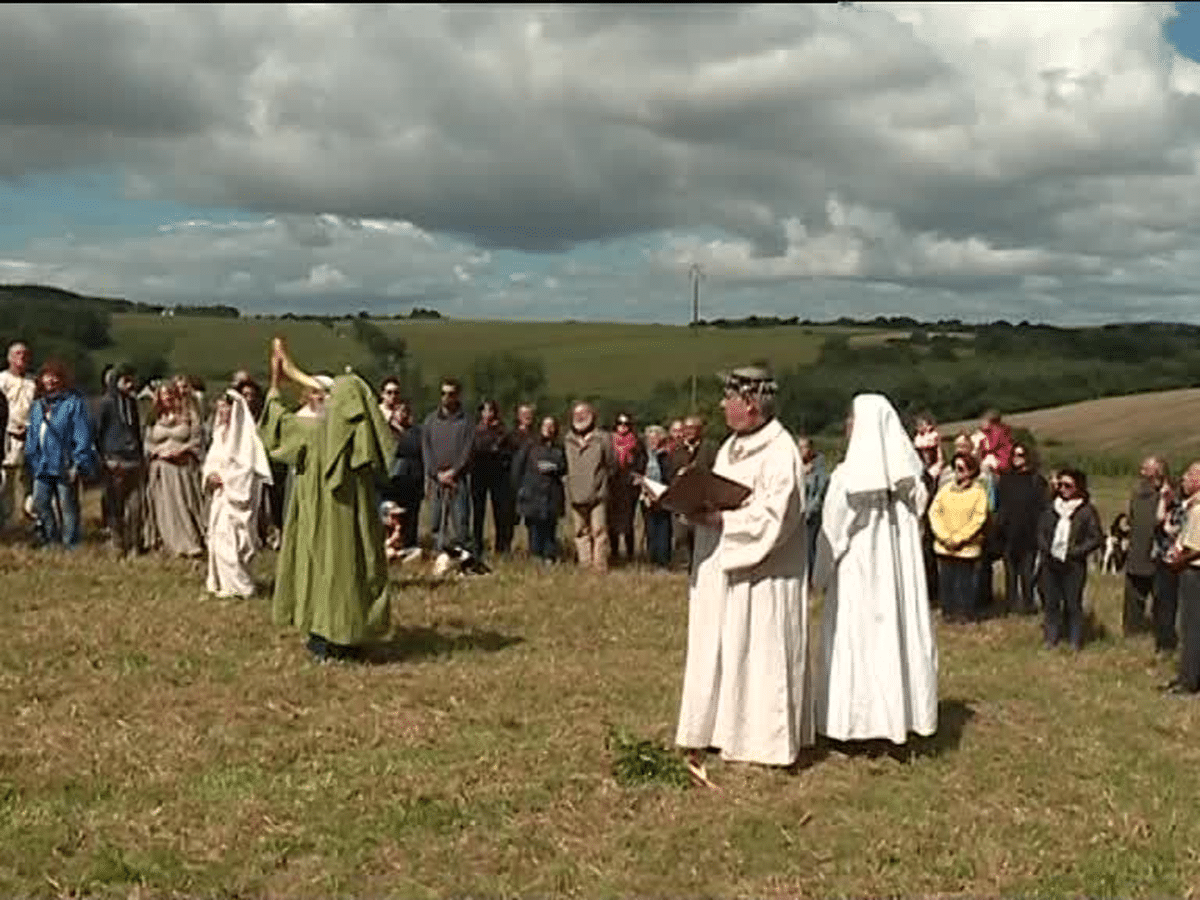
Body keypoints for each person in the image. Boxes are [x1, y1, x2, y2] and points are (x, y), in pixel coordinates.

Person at [675, 366, 813, 785]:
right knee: (723, 646)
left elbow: (778, 515)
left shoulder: (779, 451)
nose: (721, 405)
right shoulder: (731, 447)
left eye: (728, 398)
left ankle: (764, 739)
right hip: (722, 568)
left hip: (764, 575)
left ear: (750, 404)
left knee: (760, 648)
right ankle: (721, 728)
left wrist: (723, 521)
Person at [812, 393, 937, 746]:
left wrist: (819, 577)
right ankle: (899, 717)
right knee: (893, 641)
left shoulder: (848, 478)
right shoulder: (909, 479)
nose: (848, 427)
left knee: (858, 643)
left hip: (859, 577)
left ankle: (853, 723)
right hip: (897, 579)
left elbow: (832, 533)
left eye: (851, 420)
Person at [260, 338, 396, 662]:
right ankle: (351, 636)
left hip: (319, 516)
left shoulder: (310, 432)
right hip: (355, 518)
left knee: (323, 569)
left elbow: (275, 427)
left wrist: (276, 383)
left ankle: (325, 638)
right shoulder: (361, 434)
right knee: (352, 568)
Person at [203, 390, 273, 598]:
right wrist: (210, 476)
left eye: (227, 408)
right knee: (218, 539)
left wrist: (227, 480)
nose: (222, 412)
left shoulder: (247, 440)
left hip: (237, 498)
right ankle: (224, 584)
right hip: (220, 497)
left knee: (236, 543)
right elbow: (211, 461)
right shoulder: (218, 434)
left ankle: (242, 586)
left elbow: (247, 469)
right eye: (220, 408)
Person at [24, 359, 95, 549]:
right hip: (42, 464)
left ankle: (70, 544)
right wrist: (31, 457)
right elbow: (32, 434)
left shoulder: (73, 404)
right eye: (47, 376)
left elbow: (81, 434)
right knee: (40, 503)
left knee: (67, 506)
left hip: (65, 463)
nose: (50, 380)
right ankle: (50, 538)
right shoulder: (37, 406)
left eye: (55, 377)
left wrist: (79, 462)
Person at [1036, 467, 1103, 651]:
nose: (1063, 489)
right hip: (1050, 563)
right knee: (1051, 603)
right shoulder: (1051, 508)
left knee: (1073, 604)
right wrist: (1046, 549)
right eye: (1060, 485)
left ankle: (1074, 641)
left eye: (1068, 485)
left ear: (1078, 488)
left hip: (1073, 565)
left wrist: (1075, 551)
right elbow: (1041, 531)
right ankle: (1051, 639)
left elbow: (1096, 537)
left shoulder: (1086, 511)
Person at [143, 382, 207, 557]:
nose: (167, 397)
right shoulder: (154, 417)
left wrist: (182, 450)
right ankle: (168, 542)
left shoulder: (189, 415)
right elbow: (147, 443)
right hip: (162, 469)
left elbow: (197, 439)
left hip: (183, 468)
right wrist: (158, 452)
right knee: (165, 507)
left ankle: (190, 542)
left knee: (185, 505)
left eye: (170, 393)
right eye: (164, 394)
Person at [928, 452, 990, 624]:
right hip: (944, 545)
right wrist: (944, 536)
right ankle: (948, 612)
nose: (958, 472)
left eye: (961, 468)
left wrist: (960, 538)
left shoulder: (979, 492)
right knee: (946, 582)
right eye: (955, 468)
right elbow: (934, 513)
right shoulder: (945, 490)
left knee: (965, 583)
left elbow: (978, 518)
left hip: (967, 548)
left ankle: (965, 614)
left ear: (971, 471)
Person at [94, 363, 146, 557]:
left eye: (131, 380)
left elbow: (136, 431)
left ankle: (134, 543)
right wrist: (103, 457)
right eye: (126, 380)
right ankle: (116, 543)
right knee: (115, 505)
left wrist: (140, 455)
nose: (130, 384)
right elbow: (98, 431)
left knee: (135, 507)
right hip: (114, 460)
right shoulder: (106, 403)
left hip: (133, 459)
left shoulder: (132, 403)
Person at [422, 377, 475, 561]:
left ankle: (464, 560)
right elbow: (426, 451)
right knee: (437, 523)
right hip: (437, 480)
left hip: (457, 479)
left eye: (451, 394)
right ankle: (440, 557)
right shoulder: (430, 421)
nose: (446, 397)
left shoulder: (466, 421)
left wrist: (454, 472)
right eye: (443, 393)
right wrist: (437, 474)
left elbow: (467, 451)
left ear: (458, 396)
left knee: (460, 521)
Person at [995, 442, 1048, 615]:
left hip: (1029, 534)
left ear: (1028, 458)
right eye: (1014, 455)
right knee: (1010, 573)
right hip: (1009, 533)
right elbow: (1000, 505)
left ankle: (1028, 604)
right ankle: (1010, 604)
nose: (1017, 459)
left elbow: (1043, 508)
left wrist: (1041, 533)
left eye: (1021, 455)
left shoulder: (1037, 480)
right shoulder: (1006, 478)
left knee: (1027, 573)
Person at [564, 401, 615, 572]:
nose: (580, 417)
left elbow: (611, 463)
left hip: (598, 493)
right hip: (576, 493)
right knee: (580, 532)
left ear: (592, 416)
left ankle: (599, 566)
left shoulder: (603, 438)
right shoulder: (567, 439)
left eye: (584, 413)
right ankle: (585, 565)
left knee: (599, 531)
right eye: (576, 414)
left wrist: (602, 481)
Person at [511, 415, 567, 563]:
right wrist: (519, 490)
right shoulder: (530, 445)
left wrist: (555, 468)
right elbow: (517, 468)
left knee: (550, 528)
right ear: (540, 428)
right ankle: (536, 556)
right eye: (545, 425)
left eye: (552, 425)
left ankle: (549, 557)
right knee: (534, 528)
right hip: (532, 493)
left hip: (552, 494)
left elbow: (565, 467)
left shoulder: (559, 447)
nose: (548, 429)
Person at [1124, 456, 1169, 640]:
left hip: (1156, 552)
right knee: (1133, 595)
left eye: (1146, 468)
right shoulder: (1136, 492)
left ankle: (1162, 633)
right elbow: (1132, 517)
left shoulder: (1167, 493)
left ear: (1157, 471)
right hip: (1136, 550)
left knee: (1161, 597)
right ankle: (1132, 631)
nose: (1141, 471)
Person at [669, 415, 717, 570]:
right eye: (686, 429)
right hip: (682, 498)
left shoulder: (710, 448)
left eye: (692, 428)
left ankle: (701, 565)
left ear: (700, 430)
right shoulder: (677, 450)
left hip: (703, 499)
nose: (688, 432)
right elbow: (670, 474)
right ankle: (684, 564)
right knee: (681, 535)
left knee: (700, 535)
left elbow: (715, 472)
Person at [471, 399, 516, 557]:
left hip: (498, 475)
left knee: (500, 512)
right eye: (485, 410)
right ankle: (477, 547)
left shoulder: (502, 432)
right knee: (478, 512)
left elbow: (509, 453)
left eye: (491, 410)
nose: (488, 414)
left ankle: (501, 547)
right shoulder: (475, 431)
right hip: (478, 474)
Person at [380, 390, 423, 553]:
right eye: (399, 410)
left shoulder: (416, 432)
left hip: (413, 478)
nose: (402, 414)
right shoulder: (386, 431)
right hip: (393, 479)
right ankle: (391, 545)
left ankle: (409, 545)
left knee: (411, 514)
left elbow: (419, 450)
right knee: (393, 514)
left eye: (406, 411)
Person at [1, 341, 36, 532]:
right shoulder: (1, 380)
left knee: (30, 480)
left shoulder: (33, 382)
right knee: (6, 481)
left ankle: (31, 521)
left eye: (25, 354)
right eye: (17, 354)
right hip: (7, 436)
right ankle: (6, 524)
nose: (21, 358)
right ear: (9, 358)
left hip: (30, 436)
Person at [607, 412, 647, 564]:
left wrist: (637, 474)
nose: (622, 427)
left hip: (629, 485)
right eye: (619, 424)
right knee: (612, 521)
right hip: (613, 484)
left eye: (625, 424)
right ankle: (614, 552)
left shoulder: (636, 442)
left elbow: (642, 461)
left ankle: (630, 554)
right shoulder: (610, 442)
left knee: (628, 521)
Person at [640, 424, 674, 568]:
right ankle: (652, 558)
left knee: (664, 528)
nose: (652, 441)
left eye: (655, 438)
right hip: (646, 496)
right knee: (650, 528)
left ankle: (663, 560)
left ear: (661, 439)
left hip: (663, 495)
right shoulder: (642, 455)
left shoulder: (666, 455)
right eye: (649, 438)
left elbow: (669, 475)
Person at [797, 435, 828, 577]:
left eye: (805, 447)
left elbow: (820, 491)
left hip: (811, 515)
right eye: (800, 447)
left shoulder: (818, 466)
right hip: (796, 514)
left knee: (811, 548)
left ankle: (813, 578)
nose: (802, 451)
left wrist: (810, 510)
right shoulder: (796, 467)